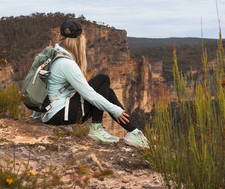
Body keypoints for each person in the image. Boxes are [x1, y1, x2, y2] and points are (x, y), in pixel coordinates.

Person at [32, 19, 148, 148]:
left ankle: (133, 132)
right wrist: (116, 110)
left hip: (50, 113)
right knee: (102, 79)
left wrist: (37, 115)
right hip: (58, 115)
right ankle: (97, 128)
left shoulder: (54, 55)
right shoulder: (66, 63)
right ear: (79, 41)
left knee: (107, 90)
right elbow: (89, 94)